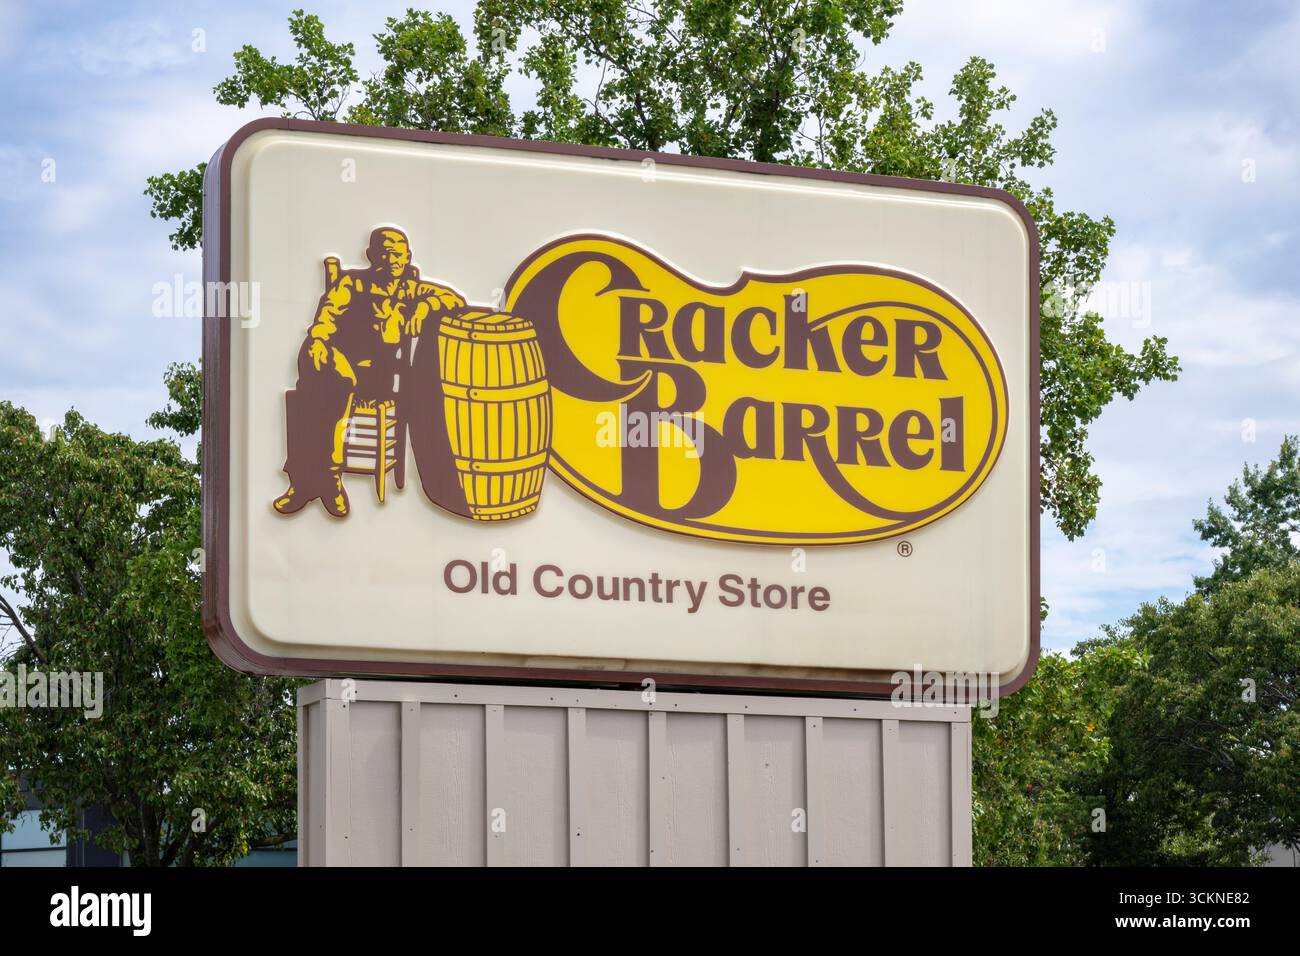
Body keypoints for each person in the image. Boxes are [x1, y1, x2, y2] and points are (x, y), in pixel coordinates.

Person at [273, 227, 465, 516]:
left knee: (315, 393)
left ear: (408, 257)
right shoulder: (352, 283)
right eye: (385, 253)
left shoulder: (412, 289)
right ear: (371, 255)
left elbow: (455, 301)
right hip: (339, 362)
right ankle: (321, 480)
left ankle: (315, 481)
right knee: (317, 382)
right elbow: (327, 316)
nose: (392, 260)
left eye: (398, 253)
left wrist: (425, 308)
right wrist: (319, 341)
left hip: (379, 378)